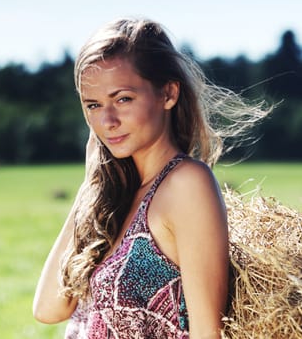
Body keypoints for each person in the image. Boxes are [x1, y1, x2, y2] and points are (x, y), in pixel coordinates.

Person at [33, 18, 269, 338]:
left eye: (123, 99)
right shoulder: (115, 198)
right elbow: (48, 308)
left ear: (168, 94)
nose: (108, 120)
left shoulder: (185, 185)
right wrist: (91, 184)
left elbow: (207, 334)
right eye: (93, 105)